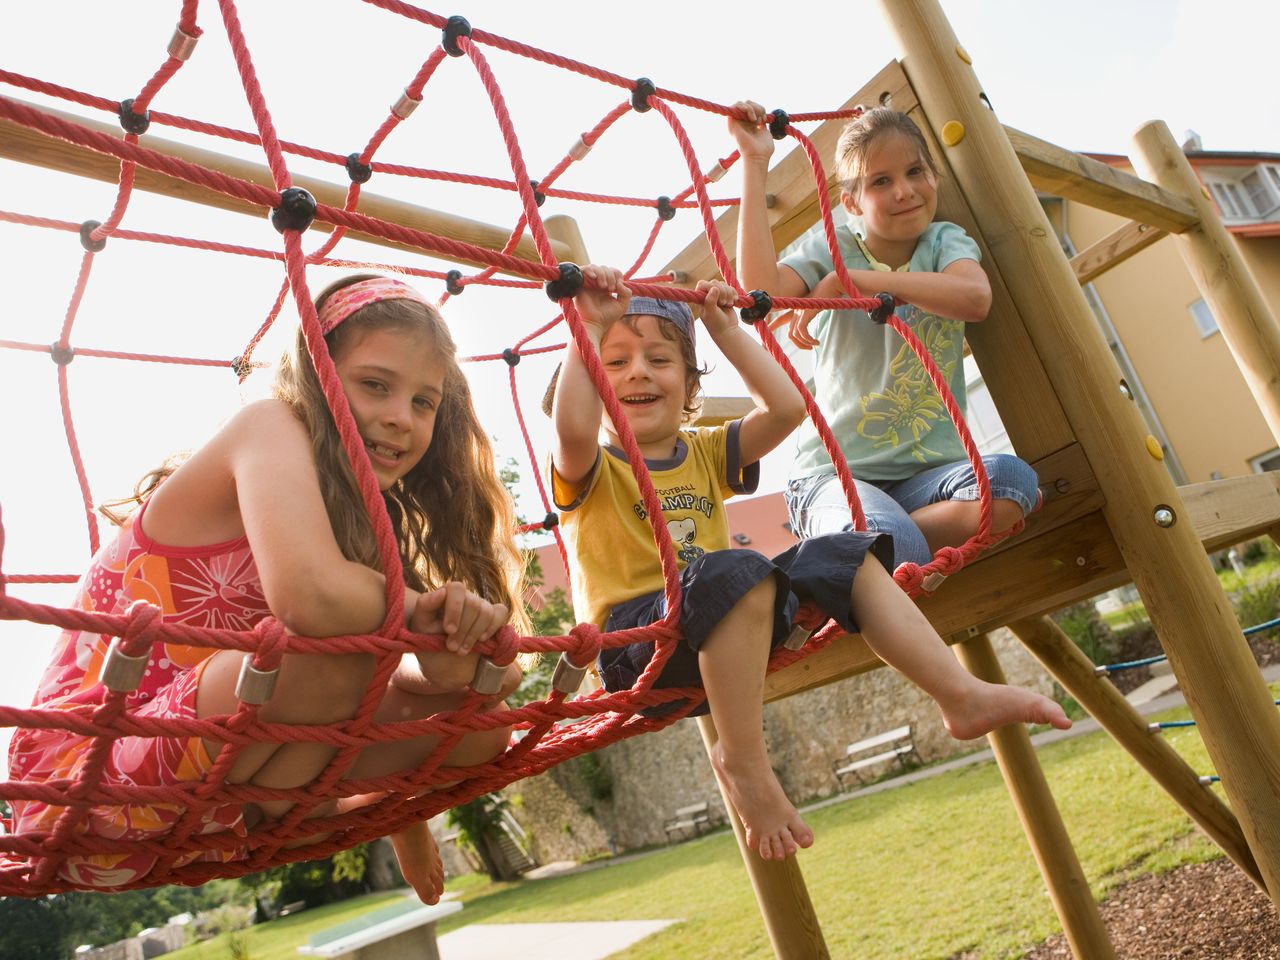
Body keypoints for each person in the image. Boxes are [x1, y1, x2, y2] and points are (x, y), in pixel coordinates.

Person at [7, 274, 526, 900]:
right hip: (84, 789)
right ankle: (320, 810)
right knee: (341, 645)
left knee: (484, 726)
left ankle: (354, 810)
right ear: (316, 375)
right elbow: (312, 599)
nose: (400, 417)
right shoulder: (267, 426)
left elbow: (469, 678)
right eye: (373, 385)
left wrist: (457, 656)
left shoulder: (365, 525)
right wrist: (426, 616)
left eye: (424, 402)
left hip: (218, 811)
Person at [547, 267, 1069, 861]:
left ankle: (958, 694)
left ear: (689, 384)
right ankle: (743, 760)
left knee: (842, 551)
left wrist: (726, 331)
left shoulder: (708, 450)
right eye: (614, 363)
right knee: (736, 570)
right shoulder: (588, 462)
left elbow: (789, 407)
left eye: (659, 359)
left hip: (724, 622)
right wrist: (586, 328)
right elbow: (572, 425)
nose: (638, 370)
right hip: (635, 646)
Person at [730, 102, 1041, 570]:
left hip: (929, 478)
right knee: (895, 542)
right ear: (852, 201)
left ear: (934, 176)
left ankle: (857, 550)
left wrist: (857, 283)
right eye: (881, 181)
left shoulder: (943, 242)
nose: (905, 191)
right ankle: (859, 545)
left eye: (915, 171)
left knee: (1014, 485)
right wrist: (755, 164)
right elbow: (757, 292)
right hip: (835, 475)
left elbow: (974, 298)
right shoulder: (835, 244)